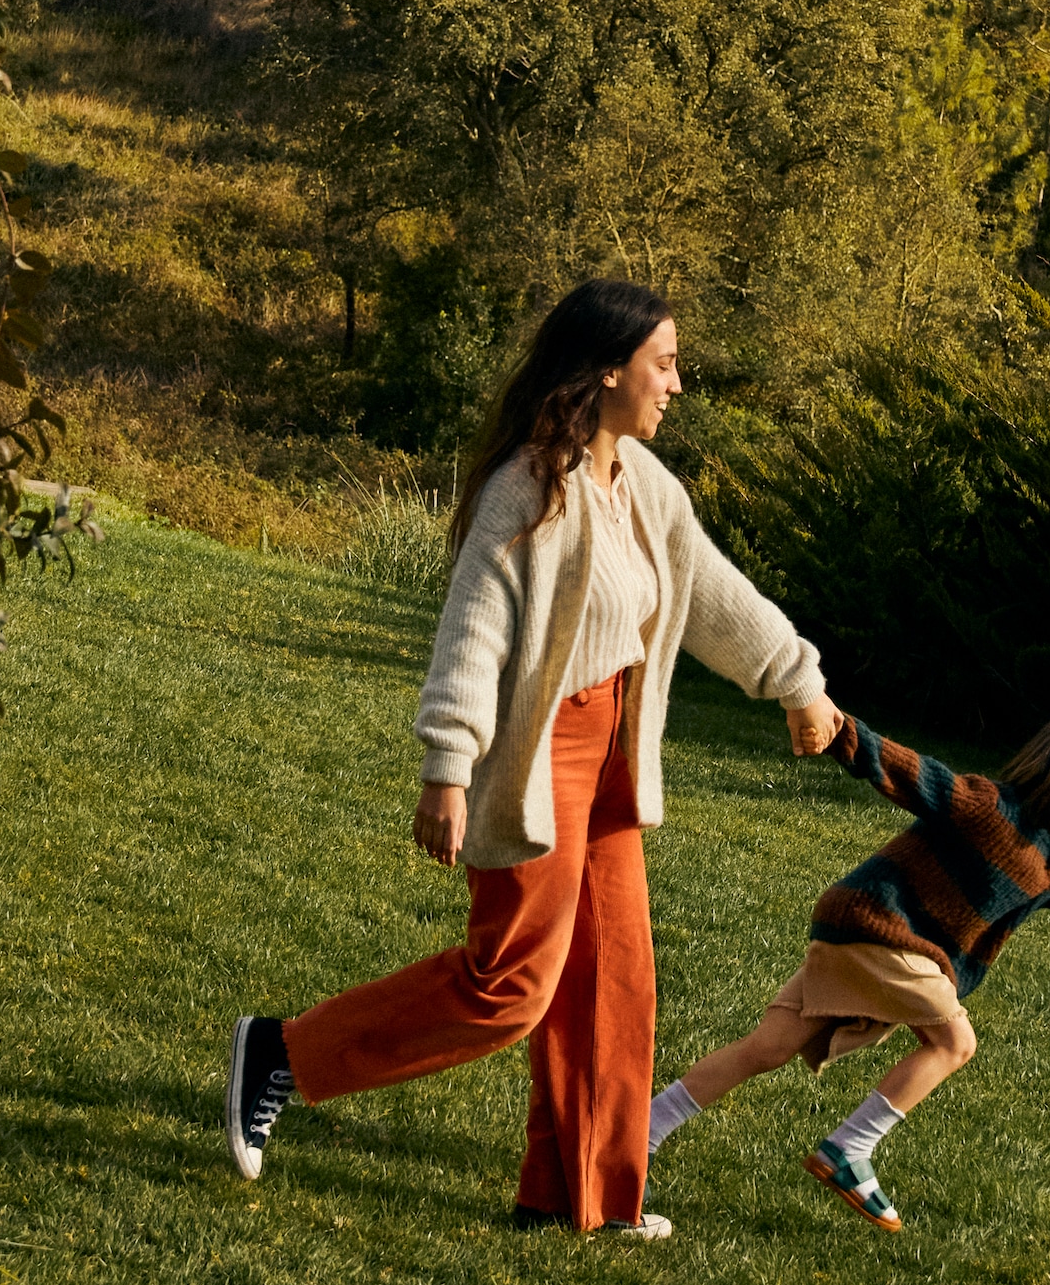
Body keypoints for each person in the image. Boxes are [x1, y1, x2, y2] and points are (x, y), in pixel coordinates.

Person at [221, 277, 842, 1236]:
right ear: (607, 371)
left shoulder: (644, 487)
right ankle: (283, 1055)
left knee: (616, 980)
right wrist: (447, 765)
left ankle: (573, 1202)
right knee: (509, 985)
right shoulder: (528, 489)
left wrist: (798, 682)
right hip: (542, 752)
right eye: (664, 365)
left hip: (614, 753)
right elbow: (472, 633)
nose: (677, 384)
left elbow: (716, 595)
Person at [648, 711, 1050, 1233]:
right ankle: (848, 1150)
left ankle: (642, 1131)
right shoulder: (989, 810)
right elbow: (912, 773)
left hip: (853, 932)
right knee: (954, 1041)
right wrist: (835, 728)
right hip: (877, 928)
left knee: (768, 1047)